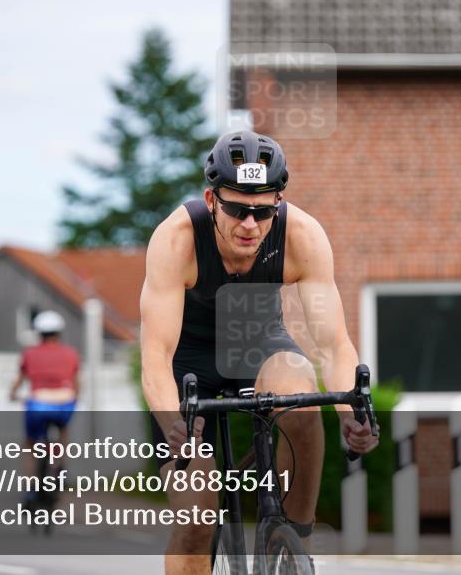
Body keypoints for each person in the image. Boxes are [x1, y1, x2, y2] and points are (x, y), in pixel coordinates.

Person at [141, 130, 379, 574]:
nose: (250, 225)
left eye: (263, 211)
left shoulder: (302, 235)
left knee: (300, 398)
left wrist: (351, 412)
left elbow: (333, 344)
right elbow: (156, 355)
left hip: (259, 342)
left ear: (278, 202)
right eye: (237, 210)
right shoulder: (176, 239)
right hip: (187, 361)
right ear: (211, 200)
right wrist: (174, 421)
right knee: (196, 515)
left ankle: (295, 542)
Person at [10, 310, 80, 496]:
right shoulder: (70, 353)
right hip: (64, 403)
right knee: (63, 430)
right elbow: (76, 382)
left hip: (38, 404)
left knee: (30, 444)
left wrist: (12, 394)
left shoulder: (30, 354)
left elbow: (20, 379)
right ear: (59, 332)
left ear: (39, 333)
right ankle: (61, 468)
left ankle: (31, 488)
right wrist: (75, 397)